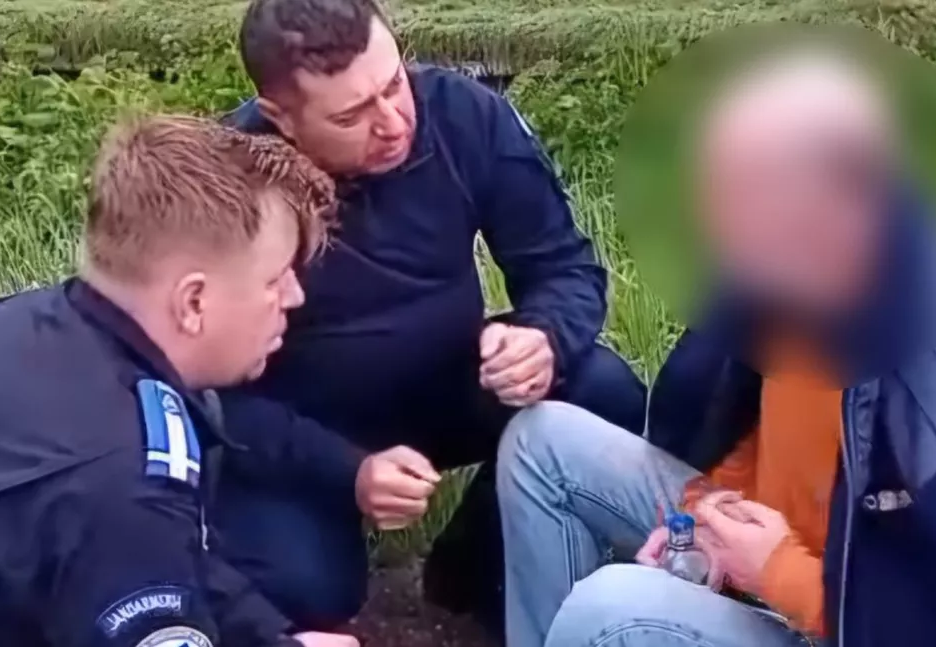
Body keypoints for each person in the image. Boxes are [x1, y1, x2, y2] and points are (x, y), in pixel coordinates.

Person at [495, 49, 936, 647]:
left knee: (610, 607)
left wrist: (779, 573)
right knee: (543, 444)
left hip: (840, 617)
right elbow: (746, 426)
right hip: (773, 548)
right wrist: (707, 519)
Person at [208, 0, 648, 636]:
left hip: (448, 383)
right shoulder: (226, 184)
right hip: (307, 423)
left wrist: (543, 335)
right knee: (308, 589)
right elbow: (207, 392)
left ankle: (473, 573)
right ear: (283, 118)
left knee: (601, 391)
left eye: (393, 84)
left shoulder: (463, 114)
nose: (393, 122)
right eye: (351, 115)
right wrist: (346, 470)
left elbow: (564, 267)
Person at [0, 115, 362, 647]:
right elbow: (142, 547)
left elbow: (176, 555)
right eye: (275, 278)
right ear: (194, 302)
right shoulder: (122, 484)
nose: (294, 296)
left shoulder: (19, 324)